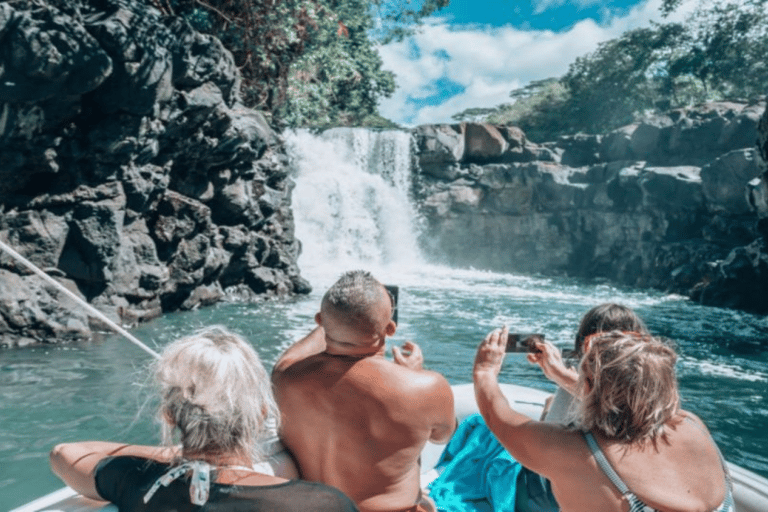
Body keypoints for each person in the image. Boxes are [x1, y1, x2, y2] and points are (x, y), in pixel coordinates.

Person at [50, 326, 359, 512]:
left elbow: (64, 454)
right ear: (260, 414)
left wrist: (173, 455)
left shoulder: (138, 482)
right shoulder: (322, 504)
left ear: (169, 416)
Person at [473, 327, 734, 512]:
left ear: (589, 386)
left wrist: (485, 370)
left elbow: (500, 419)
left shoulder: (578, 452)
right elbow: (629, 400)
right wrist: (560, 374)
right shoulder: (692, 424)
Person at [272, 270, 456, 512]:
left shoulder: (286, 376)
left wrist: (340, 315)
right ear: (390, 328)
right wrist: (414, 375)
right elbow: (443, 436)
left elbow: (292, 355)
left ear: (319, 320)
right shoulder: (427, 387)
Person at [530, 303, 648, 423]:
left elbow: (611, 404)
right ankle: (549, 406)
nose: (612, 350)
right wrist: (553, 367)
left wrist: (560, 374)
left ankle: (549, 405)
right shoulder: (580, 363)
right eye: (600, 342)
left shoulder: (644, 377)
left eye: (623, 342)